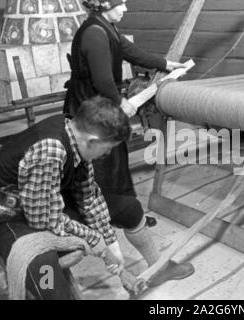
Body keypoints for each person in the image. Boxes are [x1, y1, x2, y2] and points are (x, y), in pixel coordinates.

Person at [64, 0, 194, 283]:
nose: (125, 8)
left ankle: (128, 218)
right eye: (120, 2)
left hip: (99, 110)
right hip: (92, 113)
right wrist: (123, 102)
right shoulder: (95, 34)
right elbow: (103, 81)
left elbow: (129, 51)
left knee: (117, 165)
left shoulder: (105, 27)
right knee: (103, 175)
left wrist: (166, 64)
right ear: (103, 5)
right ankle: (119, 218)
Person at [0, 96, 130, 299]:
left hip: (38, 203)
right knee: (46, 275)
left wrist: (111, 245)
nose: (108, 153)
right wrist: (96, 240)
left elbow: (89, 197)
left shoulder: (75, 134)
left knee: (128, 209)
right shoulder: (51, 150)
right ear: (92, 141)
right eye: (108, 148)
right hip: (6, 216)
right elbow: (43, 220)